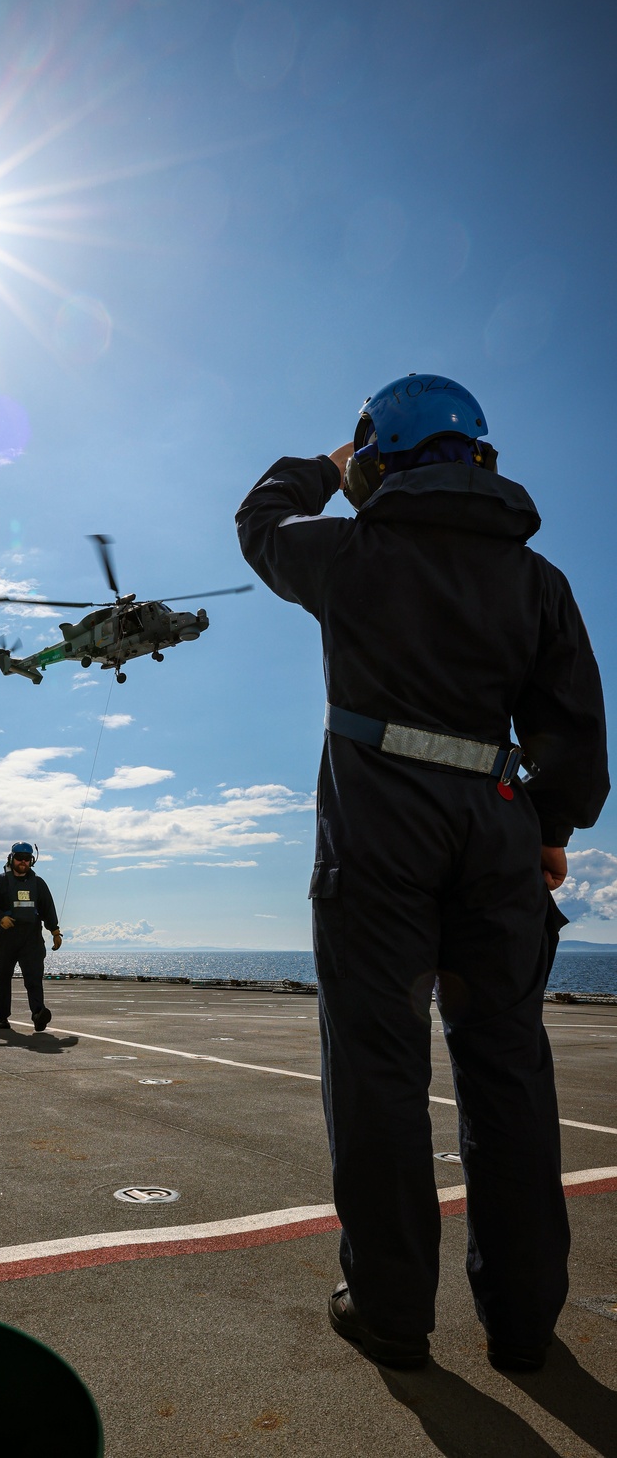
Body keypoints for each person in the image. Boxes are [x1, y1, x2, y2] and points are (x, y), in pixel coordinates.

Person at [236, 375, 608, 1375]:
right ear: (480, 457)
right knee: (508, 1076)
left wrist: (326, 465)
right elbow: (573, 736)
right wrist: (552, 826)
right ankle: (524, 1325)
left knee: (380, 1075)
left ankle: (393, 1314)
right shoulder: (540, 582)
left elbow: (260, 520)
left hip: (379, 836)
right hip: (495, 827)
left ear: (381, 455)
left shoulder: (348, 552)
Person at [0, 842, 62, 1033]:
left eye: (27, 859)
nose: (23, 862)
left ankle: (38, 1014)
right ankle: (1, 1017)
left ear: (32, 861)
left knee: (34, 978)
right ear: (12, 858)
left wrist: (55, 931)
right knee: (3, 977)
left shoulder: (38, 884)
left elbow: (47, 908)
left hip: (31, 938)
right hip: (6, 937)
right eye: (19, 858)